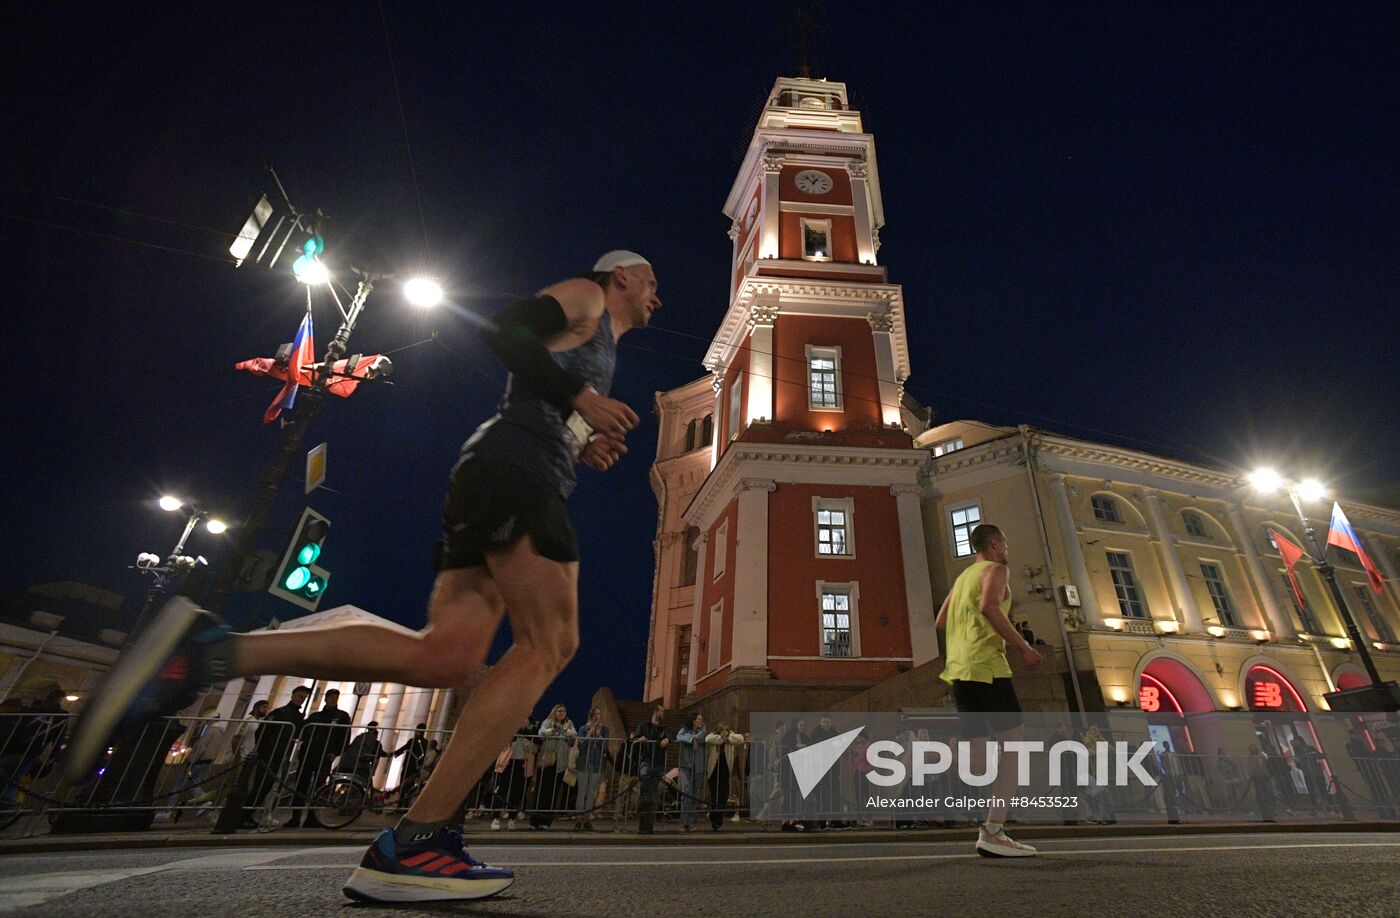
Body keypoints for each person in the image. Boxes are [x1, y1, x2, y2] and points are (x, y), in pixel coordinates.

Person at [65, 251, 660, 902]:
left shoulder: (598, 341)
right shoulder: (587, 297)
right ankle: (419, 840)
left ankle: (213, 652)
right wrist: (581, 400)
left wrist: (581, 435)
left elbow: (537, 394)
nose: (658, 297)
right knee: (551, 644)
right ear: (623, 276)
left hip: (503, 472)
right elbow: (503, 330)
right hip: (518, 476)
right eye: (652, 282)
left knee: (447, 656)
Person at [934, 522, 1045, 858]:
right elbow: (988, 606)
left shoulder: (962, 577)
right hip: (988, 668)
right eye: (1006, 542)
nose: (1007, 548)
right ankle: (994, 831)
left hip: (960, 670)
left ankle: (919, 757)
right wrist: (1023, 646)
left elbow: (941, 620)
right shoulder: (997, 570)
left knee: (979, 761)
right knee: (1014, 749)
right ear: (995, 543)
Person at [286, 688, 351, 829]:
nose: (333, 699)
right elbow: (303, 732)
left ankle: (312, 817)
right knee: (301, 786)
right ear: (326, 699)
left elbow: (345, 736)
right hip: (309, 755)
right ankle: (295, 817)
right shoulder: (315, 716)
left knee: (319, 788)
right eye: (331, 697)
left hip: (325, 756)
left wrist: (336, 752)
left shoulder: (342, 716)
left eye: (336, 697)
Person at [246, 686, 309, 823]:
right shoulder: (280, 712)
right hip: (269, 752)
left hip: (282, 753)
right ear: (293, 695)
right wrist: (262, 749)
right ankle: (245, 815)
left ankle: (250, 815)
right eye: (300, 696)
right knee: (261, 785)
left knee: (268, 786)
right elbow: (262, 731)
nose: (302, 699)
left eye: (304, 697)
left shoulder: (297, 715)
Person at [531, 705, 576, 828]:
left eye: (564, 711)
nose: (562, 713)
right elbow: (541, 734)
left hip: (560, 763)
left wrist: (565, 730)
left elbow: (573, 738)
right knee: (541, 792)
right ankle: (535, 821)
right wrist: (552, 730)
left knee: (553, 793)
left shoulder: (569, 724)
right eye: (560, 711)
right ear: (554, 712)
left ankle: (546, 822)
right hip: (547, 761)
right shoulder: (548, 722)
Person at [632, 706, 670, 834]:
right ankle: (642, 826)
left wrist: (667, 740)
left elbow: (667, 738)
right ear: (655, 712)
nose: (664, 713)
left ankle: (649, 827)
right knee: (645, 792)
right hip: (646, 761)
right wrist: (639, 739)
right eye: (662, 711)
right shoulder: (644, 725)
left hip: (657, 764)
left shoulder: (663, 729)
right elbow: (634, 739)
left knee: (653, 796)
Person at [574, 707, 610, 830]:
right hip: (584, 763)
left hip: (596, 764)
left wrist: (599, 736)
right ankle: (579, 819)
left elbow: (605, 748)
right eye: (594, 714)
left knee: (591, 794)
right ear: (590, 715)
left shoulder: (604, 730)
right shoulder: (583, 729)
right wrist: (590, 733)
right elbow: (581, 745)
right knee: (582, 792)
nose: (597, 716)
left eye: (599, 714)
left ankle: (587, 819)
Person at [705, 722, 744, 830]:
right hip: (713, 770)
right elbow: (708, 738)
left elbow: (740, 738)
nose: (725, 732)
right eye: (723, 731)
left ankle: (714, 816)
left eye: (726, 730)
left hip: (725, 770)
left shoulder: (729, 738)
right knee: (715, 795)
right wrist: (721, 739)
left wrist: (728, 736)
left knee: (724, 794)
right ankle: (717, 823)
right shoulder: (715, 738)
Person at [675, 712, 706, 831]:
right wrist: (691, 739)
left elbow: (703, 735)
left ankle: (691, 822)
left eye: (701, 719)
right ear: (693, 721)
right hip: (685, 765)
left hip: (698, 766)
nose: (701, 721)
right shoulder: (685, 729)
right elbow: (678, 737)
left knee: (695, 793)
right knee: (686, 790)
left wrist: (694, 738)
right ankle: (685, 821)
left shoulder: (702, 730)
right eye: (699, 719)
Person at [391, 723, 430, 805]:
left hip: (408, 766)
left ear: (417, 731)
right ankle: (405, 805)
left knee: (403, 785)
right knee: (410, 786)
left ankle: (400, 805)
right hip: (416, 768)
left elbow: (403, 749)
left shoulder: (412, 741)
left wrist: (392, 754)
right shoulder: (426, 742)